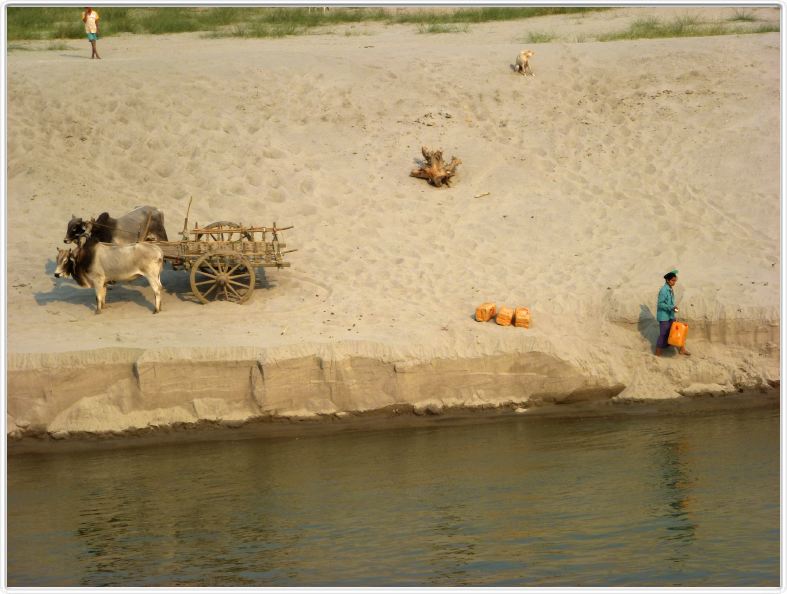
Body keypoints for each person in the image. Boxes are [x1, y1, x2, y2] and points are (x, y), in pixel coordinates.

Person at [655, 270, 690, 356]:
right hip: (663, 316)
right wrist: (671, 307)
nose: (674, 282)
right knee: (663, 334)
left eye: (675, 280)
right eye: (673, 280)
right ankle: (657, 353)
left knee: (676, 330)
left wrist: (673, 308)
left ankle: (682, 349)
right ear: (667, 280)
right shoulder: (663, 290)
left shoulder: (670, 288)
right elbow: (660, 304)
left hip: (670, 315)